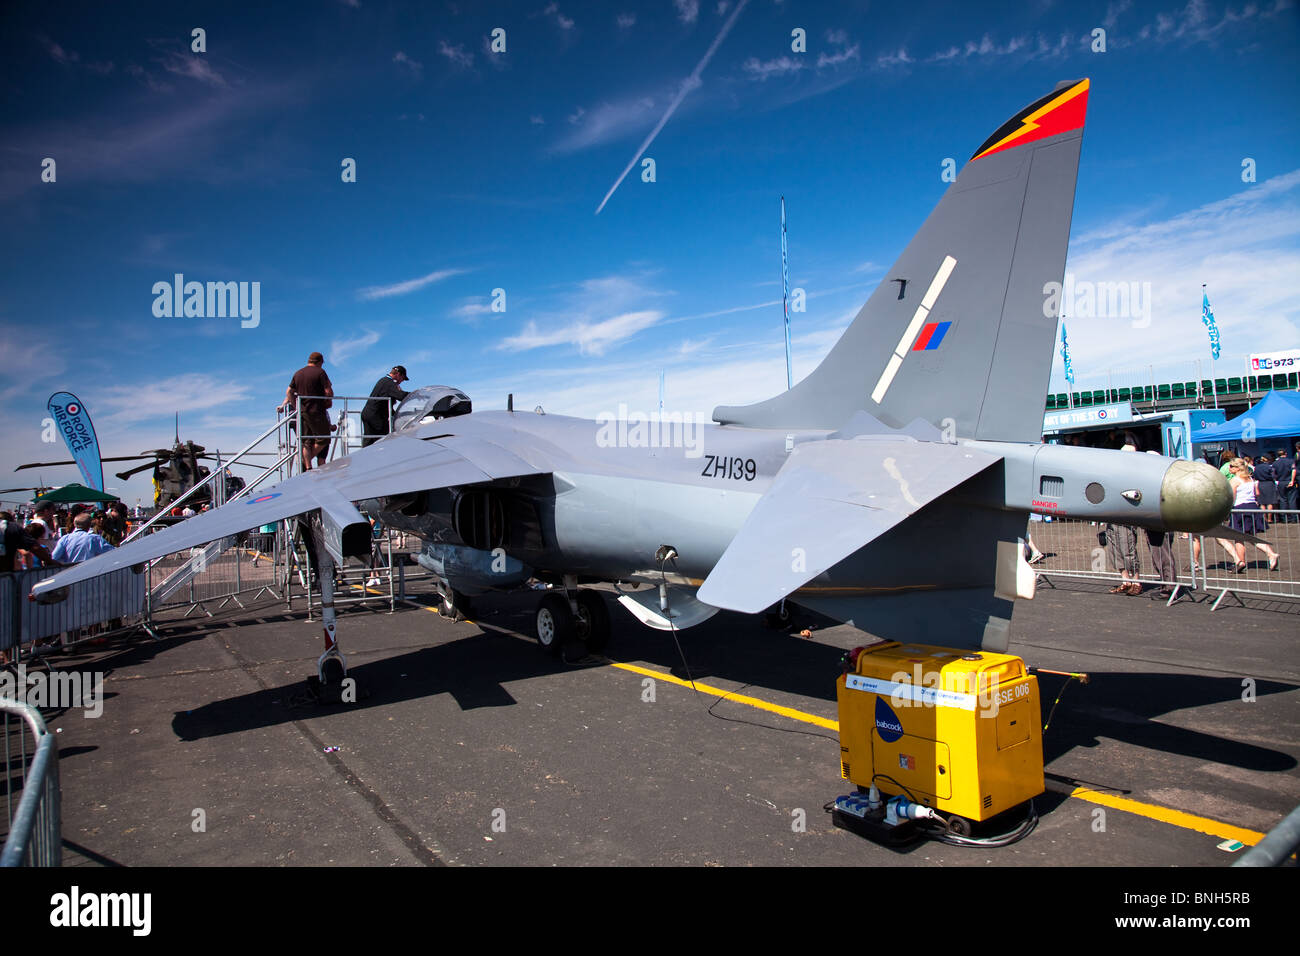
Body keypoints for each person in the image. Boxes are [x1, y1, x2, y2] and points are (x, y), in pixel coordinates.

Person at [282, 351, 335, 472]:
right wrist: (328, 399)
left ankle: (307, 467)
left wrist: (296, 407)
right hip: (316, 410)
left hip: (302, 411)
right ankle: (307, 460)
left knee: (306, 441)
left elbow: (289, 392)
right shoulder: (320, 372)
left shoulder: (298, 373)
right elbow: (328, 392)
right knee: (324, 438)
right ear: (320, 362)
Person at [1226, 459, 1279, 572]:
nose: (1229, 468)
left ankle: (1240, 562)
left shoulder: (1234, 481)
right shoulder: (1250, 479)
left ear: (1237, 468)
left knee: (1238, 538)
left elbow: (1231, 497)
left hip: (1240, 508)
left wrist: (1228, 509)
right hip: (1252, 507)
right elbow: (1257, 493)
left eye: (1231, 466)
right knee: (1251, 537)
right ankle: (1271, 554)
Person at [361, 366, 411, 447]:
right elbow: (401, 396)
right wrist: (415, 395)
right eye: (403, 378)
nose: (402, 381)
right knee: (384, 440)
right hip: (376, 417)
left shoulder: (384, 381)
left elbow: (386, 405)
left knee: (369, 442)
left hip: (368, 414)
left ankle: (363, 457)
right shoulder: (389, 383)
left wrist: (396, 414)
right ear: (398, 374)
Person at [50, 512, 116, 564]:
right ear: (89, 525)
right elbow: (113, 552)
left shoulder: (64, 539)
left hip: (69, 574)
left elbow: (54, 557)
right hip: (89, 573)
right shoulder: (95, 539)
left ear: (74, 523)